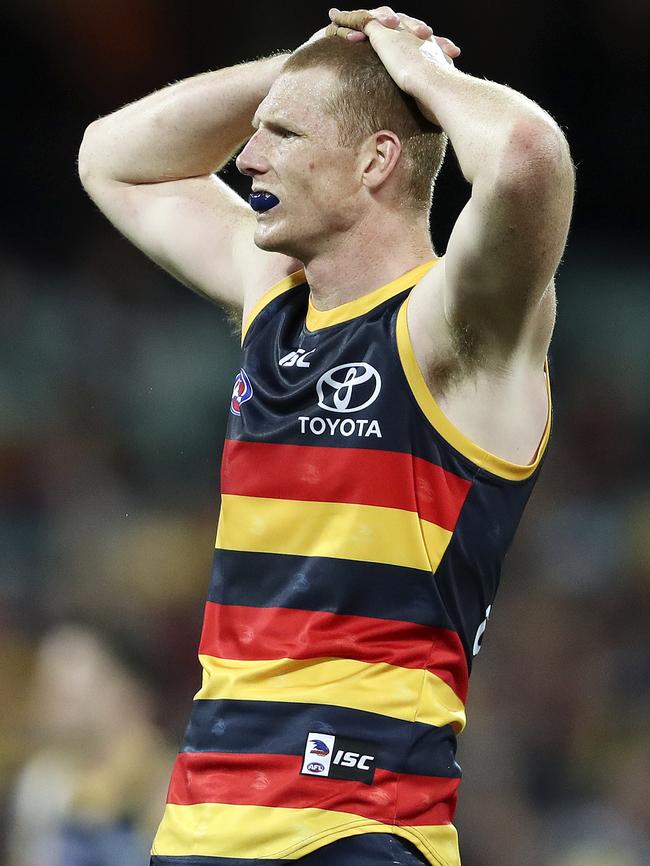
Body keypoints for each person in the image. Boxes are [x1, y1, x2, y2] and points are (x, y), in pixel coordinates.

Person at [78, 6, 574, 865]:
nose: (244, 157)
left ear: (377, 160)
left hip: (358, 830)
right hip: (199, 831)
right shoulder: (273, 291)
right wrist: (313, 61)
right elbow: (112, 159)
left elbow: (528, 159)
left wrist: (421, 72)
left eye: (282, 133)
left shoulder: (454, 326)